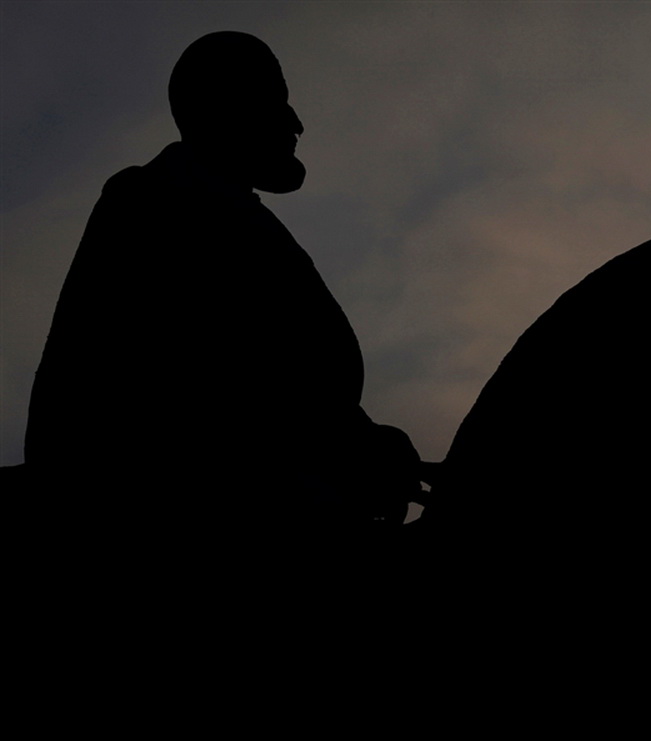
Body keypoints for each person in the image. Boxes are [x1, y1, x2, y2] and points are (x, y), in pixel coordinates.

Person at [19, 31, 420, 730]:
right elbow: (195, 381)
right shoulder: (153, 202)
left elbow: (282, 383)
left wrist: (364, 439)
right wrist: (333, 456)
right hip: (207, 544)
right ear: (225, 109)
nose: (296, 123)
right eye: (276, 102)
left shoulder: (236, 217)